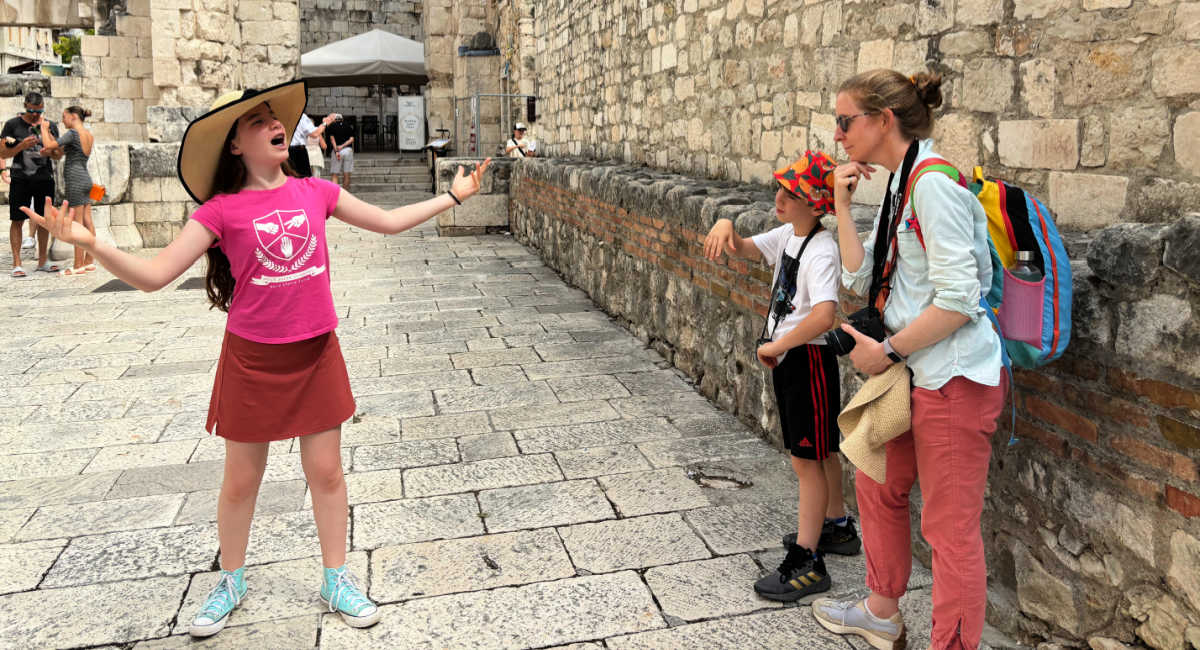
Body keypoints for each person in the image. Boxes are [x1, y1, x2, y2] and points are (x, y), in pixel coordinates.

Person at [23, 80, 492, 638]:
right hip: (252, 360)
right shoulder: (221, 211)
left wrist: (455, 197)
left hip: (316, 352)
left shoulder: (315, 191)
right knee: (242, 481)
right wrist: (93, 244)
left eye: (275, 118)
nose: (275, 124)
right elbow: (153, 277)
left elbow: (387, 222)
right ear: (236, 146)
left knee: (326, 472)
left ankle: (335, 577)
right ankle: (231, 579)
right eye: (258, 121)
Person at [810, 69, 1005, 650]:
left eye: (846, 121)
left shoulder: (934, 186)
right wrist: (842, 203)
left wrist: (886, 350)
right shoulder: (902, 184)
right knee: (876, 482)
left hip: (952, 379)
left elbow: (959, 301)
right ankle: (881, 610)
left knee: (949, 531)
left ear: (883, 121)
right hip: (911, 376)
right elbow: (859, 274)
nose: (839, 134)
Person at [703, 150, 860, 605]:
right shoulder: (791, 235)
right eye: (780, 189)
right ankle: (837, 524)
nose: (779, 198)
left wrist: (778, 344)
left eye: (790, 193)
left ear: (814, 202)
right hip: (793, 360)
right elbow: (746, 248)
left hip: (806, 359)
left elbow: (827, 314)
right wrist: (726, 226)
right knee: (819, 448)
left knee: (805, 461)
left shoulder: (822, 249)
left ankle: (808, 561)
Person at [1, 92, 63, 277]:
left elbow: (58, 155)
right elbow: (3, 153)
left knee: (45, 221)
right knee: (17, 219)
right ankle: (17, 263)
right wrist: (21, 146)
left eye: (39, 111)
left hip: (44, 178)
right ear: (25, 106)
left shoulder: (49, 125)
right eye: (31, 111)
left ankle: (43, 260)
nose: (35, 115)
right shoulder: (12, 125)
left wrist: (48, 146)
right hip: (20, 178)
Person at [38, 105, 96, 275]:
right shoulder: (88, 135)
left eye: (64, 116)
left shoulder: (72, 134)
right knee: (87, 221)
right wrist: (49, 143)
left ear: (73, 116)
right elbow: (58, 152)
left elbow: (49, 145)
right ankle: (89, 261)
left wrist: (43, 128)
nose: (63, 121)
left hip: (75, 180)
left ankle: (78, 265)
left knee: (77, 224)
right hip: (86, 179)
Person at [287, 112, 334, 177]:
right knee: (310, 179)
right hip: (311, 156)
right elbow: (323, 145)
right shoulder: (301, 117)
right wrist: (326, 123)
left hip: (289, 151)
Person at [327, 115, 355, 190]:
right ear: (342, 119)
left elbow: (332, 139)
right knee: (347, 174)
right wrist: (343, 146)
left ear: (335, 119)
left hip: (337, 151)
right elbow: (352, 139)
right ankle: (346, 195)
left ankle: (335, 195)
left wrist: (336, 150)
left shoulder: (332, 126)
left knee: (335, 174)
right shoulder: (348, 125)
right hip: (348, 150)